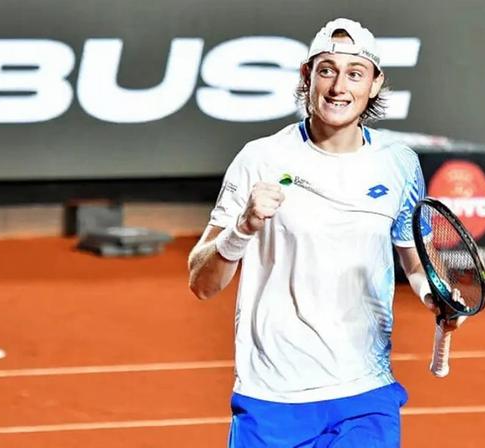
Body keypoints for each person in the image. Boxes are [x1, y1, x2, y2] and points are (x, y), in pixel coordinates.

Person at [188, 17, 463, 447]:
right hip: (272, 394)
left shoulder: (399, 163)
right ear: (307, 75)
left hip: (364, 391)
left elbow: (417, 264)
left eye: (355, 73)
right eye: (327, 70)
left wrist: (436, 295)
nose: (338, 87)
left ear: (374, 83)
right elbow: (202, 283)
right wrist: (242, 228)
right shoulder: (259, 158)